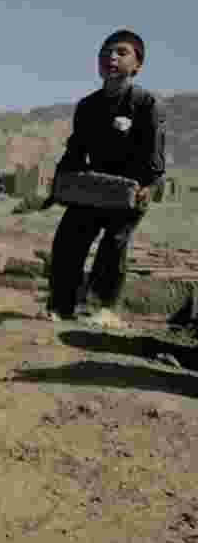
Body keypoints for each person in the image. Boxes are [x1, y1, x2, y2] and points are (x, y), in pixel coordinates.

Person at [40, 29, 165, 326]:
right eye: (106, 52)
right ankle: (61, 305)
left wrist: (149, 185)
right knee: (69, 239)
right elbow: (75, 151)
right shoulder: (87, 106)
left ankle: (101, 309)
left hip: (131, 189)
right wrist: (61, 183)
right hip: (93, 187)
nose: (111, 57)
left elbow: (155, 152)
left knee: (115, 244)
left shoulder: (147, 103)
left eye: (122, 52)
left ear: (137, 65)